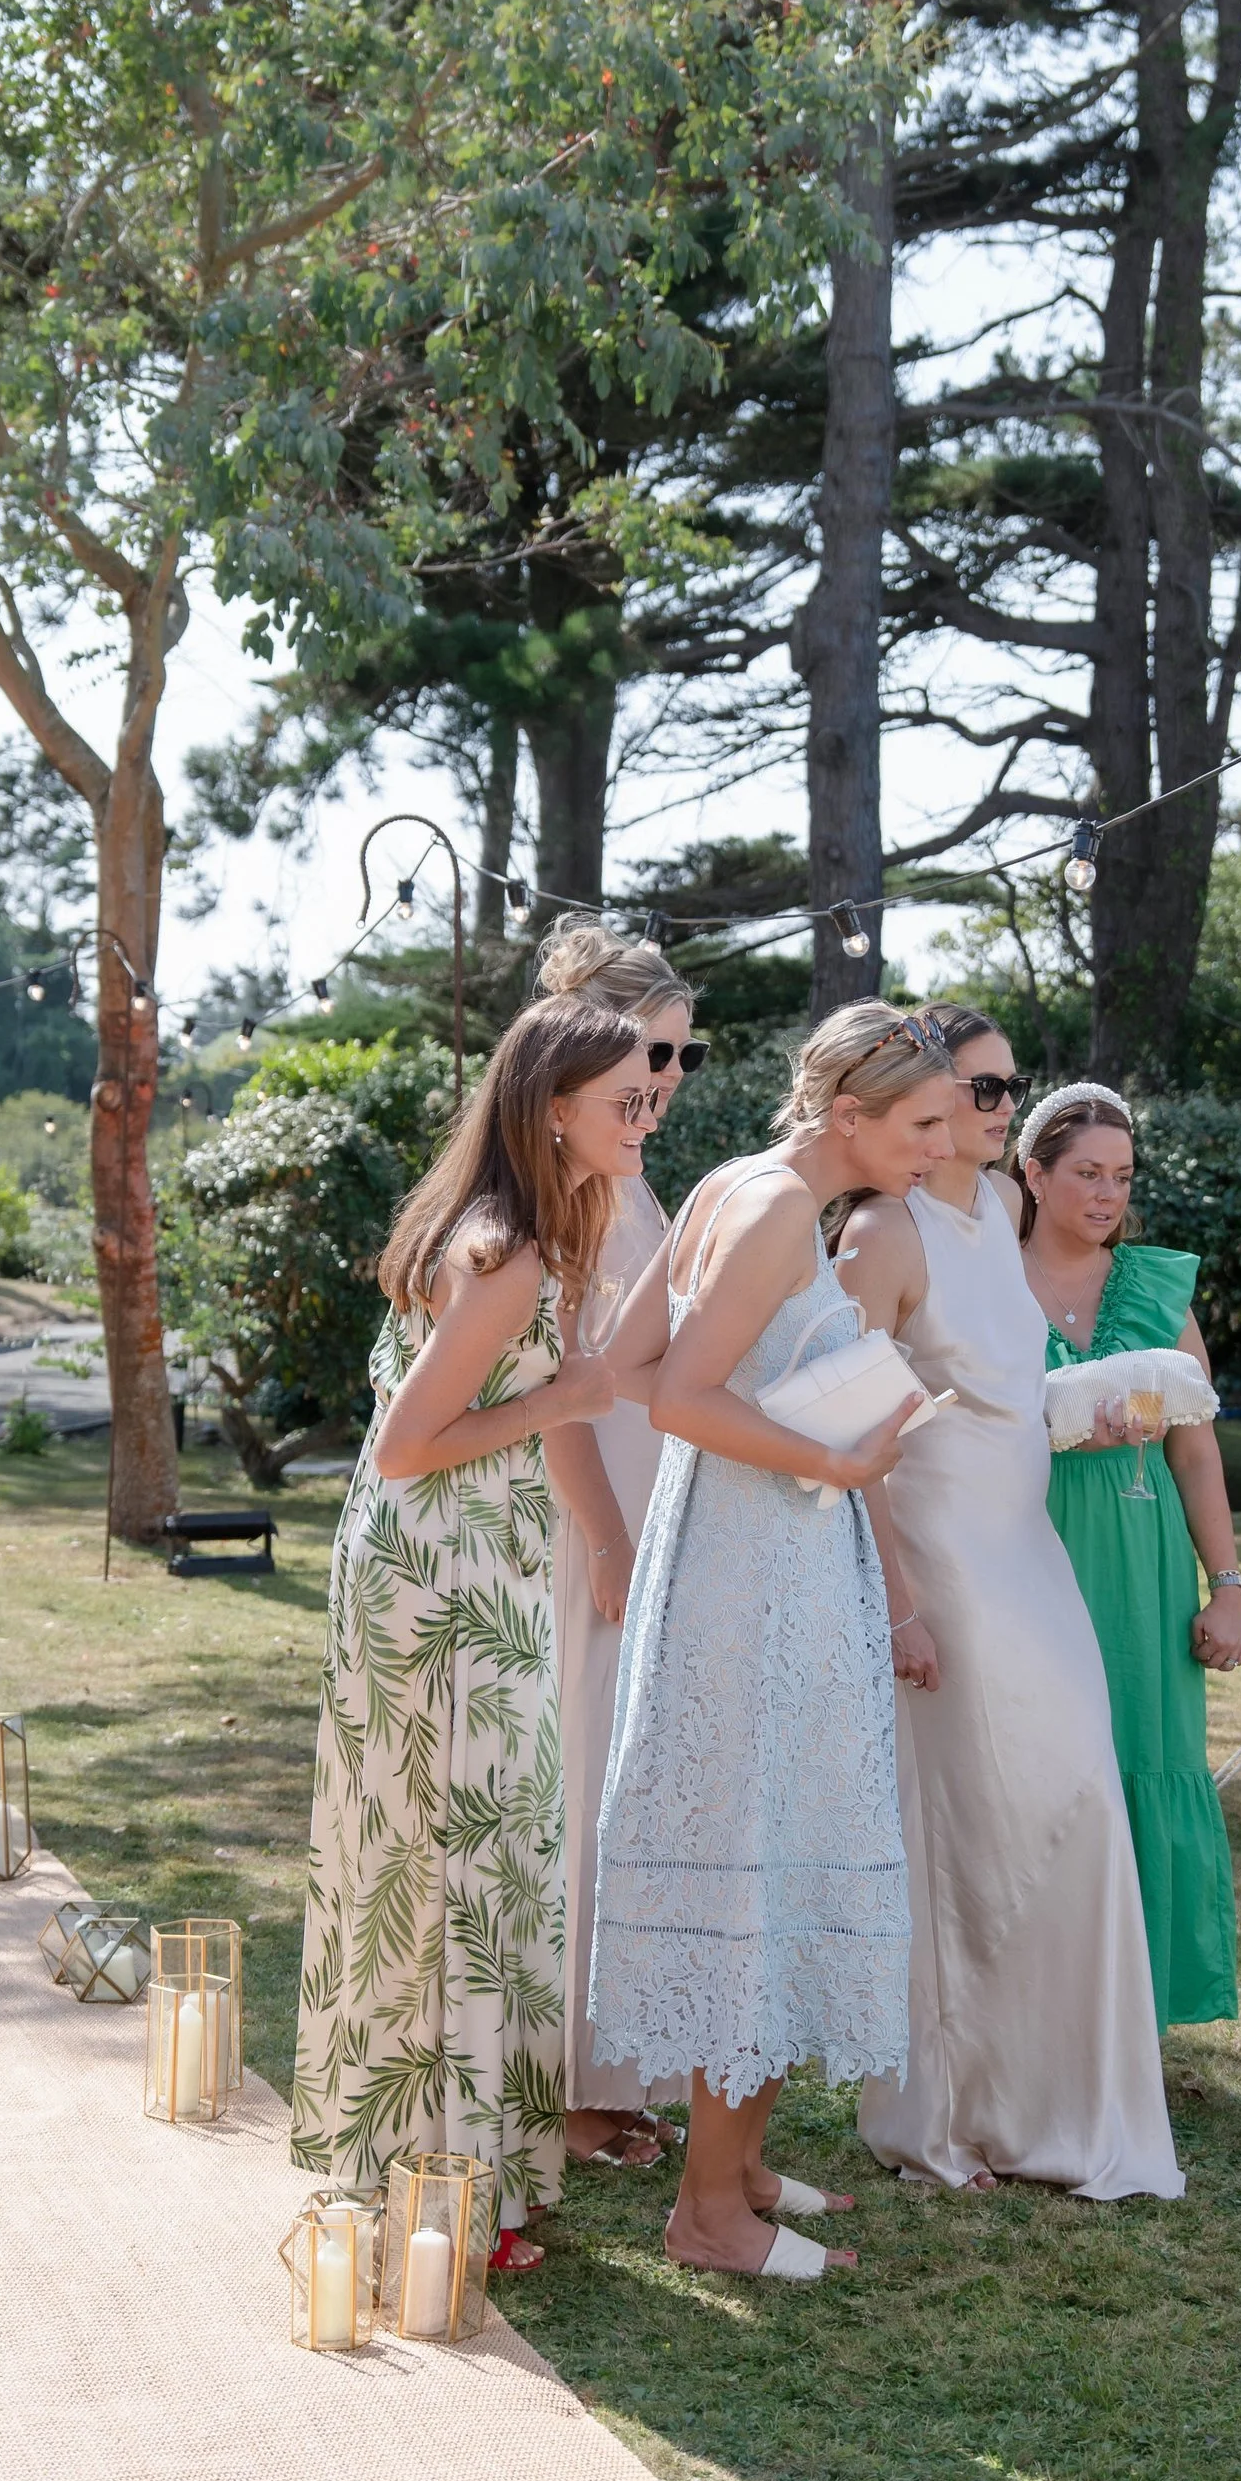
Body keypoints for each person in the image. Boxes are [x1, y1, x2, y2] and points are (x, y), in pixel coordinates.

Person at [587, 1007, 961, 2280]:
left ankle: (739, 2166)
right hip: (758, 1572)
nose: (942, 1143)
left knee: (776, 1844)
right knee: (755, 1853)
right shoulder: (774, 1213)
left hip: (759, 1557)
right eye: (920, 1124)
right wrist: (827, 1451)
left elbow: (629, 1363)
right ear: (846, 1114)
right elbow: (678, 1395)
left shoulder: (728, 1188)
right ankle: (705, 2212)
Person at [289, 996, 650, 2267]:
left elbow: (526, 1418)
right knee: (455, 1874)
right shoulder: (510, 1257)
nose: (648, 1108)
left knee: (466, 1869)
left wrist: (601, 1527)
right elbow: (405, 1447)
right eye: (626, 1095)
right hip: (442, 1589)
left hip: (466, 1576)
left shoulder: (522, 1234)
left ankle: (456, 2171)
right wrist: (578, 1390)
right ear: (553, 1107)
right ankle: (447, 2197)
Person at [835, 1011, 1183, 2200]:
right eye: (977, 1090)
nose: (995, 1108)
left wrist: (1101, 1404)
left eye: (1003, 1088)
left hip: (1026, 1543)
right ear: (919, 1100)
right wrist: (895, 1601)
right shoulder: (885, 1232)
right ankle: (946, 2115)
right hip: (943, 1561)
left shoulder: (994, 1216)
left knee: (1078, 1800)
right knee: (973, 1831)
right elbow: (846, 1425)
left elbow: (1005, 1390)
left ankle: (1059, 2103)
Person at [529, 921, 706, 2166]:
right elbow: (562, 1382)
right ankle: (577, 2085)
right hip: (594, 1505)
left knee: (632, 1787)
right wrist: (604, 1538)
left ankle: (619, 2065)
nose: (670, 1080)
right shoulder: (578, 1183)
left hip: (657, 1488)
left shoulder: (629, 1172)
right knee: (588, 1782)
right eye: (655, 1051)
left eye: (684, 1058)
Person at [1015, 1083, 1241, 2031]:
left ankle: (1135, 2015)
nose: (1107, 1195)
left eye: (1121, 1177)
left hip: (1147, 1558)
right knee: (1041, 1768)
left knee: (1146, 1753)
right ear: (1033, 1174)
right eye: (1086, 1174)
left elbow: (1194, 1446)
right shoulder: (983, 1281)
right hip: (1029, 1544)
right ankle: (1043, 2010)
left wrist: (1226, 1586)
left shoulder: (1155, 1289)